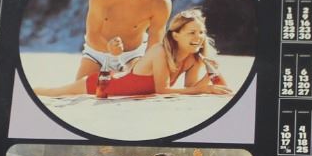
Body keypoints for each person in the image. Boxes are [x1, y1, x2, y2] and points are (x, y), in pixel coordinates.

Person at [32, 7, 229, 100]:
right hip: (104, 84)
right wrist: (205, 88)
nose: (199, 37)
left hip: (119, 83)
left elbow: (191, 88)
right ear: (175, 35)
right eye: (192, 32)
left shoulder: (195, 58)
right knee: (52, 93)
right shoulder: (160, 51)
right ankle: (26, 91)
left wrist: (209, 75)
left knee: (54, 92)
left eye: (201, 32)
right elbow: (162, 90)